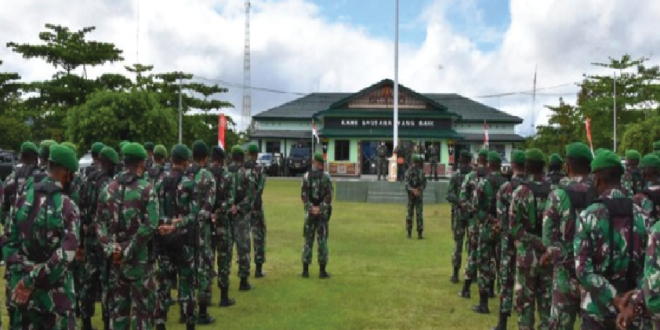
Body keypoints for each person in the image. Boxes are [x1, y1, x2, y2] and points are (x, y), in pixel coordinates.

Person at [4, 144, 80, 330]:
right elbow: (65, 256)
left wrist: (25, 276)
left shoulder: (22, 199)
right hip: (56, 300)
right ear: (67, 173)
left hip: (23, 295)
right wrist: (33, 278)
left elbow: (7, 242)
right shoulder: (69, 207)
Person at [574, 150, 650, 329]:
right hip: (633, 310)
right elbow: (649, 269)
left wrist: (613, 297)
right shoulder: (643, 217)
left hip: (596, 309)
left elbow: (583, 270)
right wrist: (631, 301)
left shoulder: (587, 216)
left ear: (597, 178)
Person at [96, 143, 158, 330]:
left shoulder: (108, 189)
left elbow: (99, 224)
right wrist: (129, 251)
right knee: (143, 313)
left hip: (116, 262)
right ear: (141, 163)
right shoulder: (147, 190)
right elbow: (151, 225)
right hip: (139, 262)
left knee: (119, 312)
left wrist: (111, 249)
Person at [540, 142, 595, 330]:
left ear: (567, 165)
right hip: (593, 274)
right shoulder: (600, 193)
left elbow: (548, 238)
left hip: (564, 273)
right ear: (590, 167)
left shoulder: (557, 195)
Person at [153, 144, 198, 329]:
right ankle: (188, 323)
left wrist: (165, 224)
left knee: (163, 286)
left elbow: (154, 214)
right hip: (184, 241)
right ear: (186, 162)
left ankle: (160, 324)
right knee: (186, 285)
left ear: (171, 160)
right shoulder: (189, 183)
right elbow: (194, 215)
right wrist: (177, 223)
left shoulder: (159, 183)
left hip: (163, 241)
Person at [509, 149, 553, 330]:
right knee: (547, 308)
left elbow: (514, 228)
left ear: (526, 166)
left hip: (527, 256)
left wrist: (534, 240)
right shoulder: (556, 192)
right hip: (548, 257)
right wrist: (545, 242)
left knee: (525, 306)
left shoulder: (520, 192)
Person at [80, 146, 119, 330]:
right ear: (109, 164)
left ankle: (86, 322)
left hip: (88, 238)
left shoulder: (87, 179)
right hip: (102, 239)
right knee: (106, 283)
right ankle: (106, 322)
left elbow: (79, 205)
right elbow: (108, 214)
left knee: (88, 281)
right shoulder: (108, 184)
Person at [491, 149, 527, 330]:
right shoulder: (531, 188)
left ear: (512, 165)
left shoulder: (505, 188)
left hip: (507, 240)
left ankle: (502, 323)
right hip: (528, 243)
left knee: (506, 281)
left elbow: (501, 218)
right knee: (526, 283)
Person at [471, 151, 507, 314]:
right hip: (503, 230)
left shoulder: (483, 183)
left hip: (486, 228)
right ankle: (503, 307)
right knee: (502, 267)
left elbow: (476, 209)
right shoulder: (508, 184)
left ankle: (483, 303)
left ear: (489, 165)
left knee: (484, 265)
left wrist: (489, 220)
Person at [187, 141, 216, 325]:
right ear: (205, 158)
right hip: (202, 229)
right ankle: (203, 312)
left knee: (187, 268)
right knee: (204, 268)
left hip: (184, 228)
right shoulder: (208, 177)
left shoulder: (184, 174)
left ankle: (186, 311)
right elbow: (209, 204)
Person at [459, 149, 489, 299]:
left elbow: (462, 199)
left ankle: (466, 288)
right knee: (490, 256)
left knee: (473, 254)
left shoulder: (471, 176)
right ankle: (489, 289)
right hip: (492, 224)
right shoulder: (494, 178)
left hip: (476, 222)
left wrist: (474, 210)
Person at [209, 147, 236, 307]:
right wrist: (219, 212)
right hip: (223, 223)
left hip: (207, 223)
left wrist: (209, 213)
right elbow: (230, 200)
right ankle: (224, 297)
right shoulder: (227, 176)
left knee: (207, 260)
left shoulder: (204, 175)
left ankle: (206, 299)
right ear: (222, 159)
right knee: (224, 259)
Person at [301, 152, 333, 278]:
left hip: (309, 214)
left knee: (308, 240)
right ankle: (322, 271)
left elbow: (303, 195)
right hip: (322, 214)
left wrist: (310, 207)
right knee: (322, 241)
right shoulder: (326, 177)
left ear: (315, 162)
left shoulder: (306, 176)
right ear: (321, 163)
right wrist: (320, 208)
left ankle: (305, 270)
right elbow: (329, 196)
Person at [228, 145, 256, 291]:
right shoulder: (246, 174)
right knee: (243, 247)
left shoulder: (225, 173)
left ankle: (224, 280)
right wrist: (238, 207)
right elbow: (251, 196)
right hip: (241, 216)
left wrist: (228, 206)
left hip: (226, 215)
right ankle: (243, 281)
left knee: (225, 249)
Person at [446, 150, 473, 283]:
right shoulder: (474, 176)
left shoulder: (456, 175)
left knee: (459, 244)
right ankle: (469, 273)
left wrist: (459, 203)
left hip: (460, 214)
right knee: (472, 245)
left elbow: (449, 195)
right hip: (471, 214)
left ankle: (456, 273)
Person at [246, 144, 267, 278]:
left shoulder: (242, 168)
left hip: (243, 208)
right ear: (257, 154)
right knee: (259, 236)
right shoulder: (260, 169)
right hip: (256, 207)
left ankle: (244, 268)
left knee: (244, 237)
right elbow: (260, 188)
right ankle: (258, 269)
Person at [404, 154, 427, 239]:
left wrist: (419, 189)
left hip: (419, 196)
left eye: (417, 163)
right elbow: (406, 184)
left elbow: (424, 183)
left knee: (419, 215)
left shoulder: (421, 172)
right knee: (409, 215)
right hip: (411, 196)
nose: (416, 164)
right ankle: (409, 233)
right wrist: (413, 190)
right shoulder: (408, 172)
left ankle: (420, 233)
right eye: (415, 162)